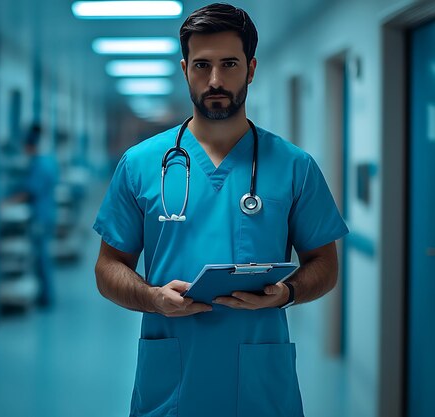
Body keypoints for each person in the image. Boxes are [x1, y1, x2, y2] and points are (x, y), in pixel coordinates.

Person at [93, 3, 349, 417]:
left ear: (251, 69)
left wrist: (287, 293)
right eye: (201, 65)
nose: (215, 80)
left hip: (259, 382)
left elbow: (324, 263)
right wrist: (152, 298)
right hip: (172, 380)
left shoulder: (294, 166)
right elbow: (108, 267)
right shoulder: (140, 163)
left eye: (229, 64)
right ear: (184, 69)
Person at [15, 124, 59, 308]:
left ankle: (46, 297)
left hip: (40, 216)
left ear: (28, 146)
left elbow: (29, 192)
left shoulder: (38, 165)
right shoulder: (48, 161)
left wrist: (7, 202)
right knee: (43, 256)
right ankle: (45, 294)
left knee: (41, 257)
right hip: (48, 213)